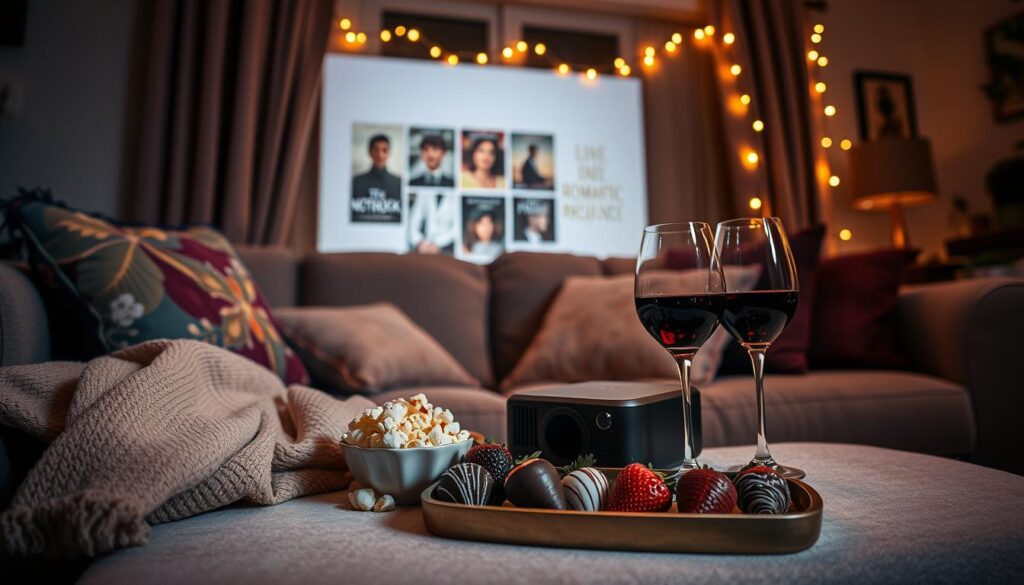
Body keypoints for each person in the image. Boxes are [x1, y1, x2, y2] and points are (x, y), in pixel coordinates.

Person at [351, 134, 401, 222]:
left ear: (389, 153)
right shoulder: (356, 182)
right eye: (376, 150)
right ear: (370, 152)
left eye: (384, 150)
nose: (380, 155)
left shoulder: (399, 183)